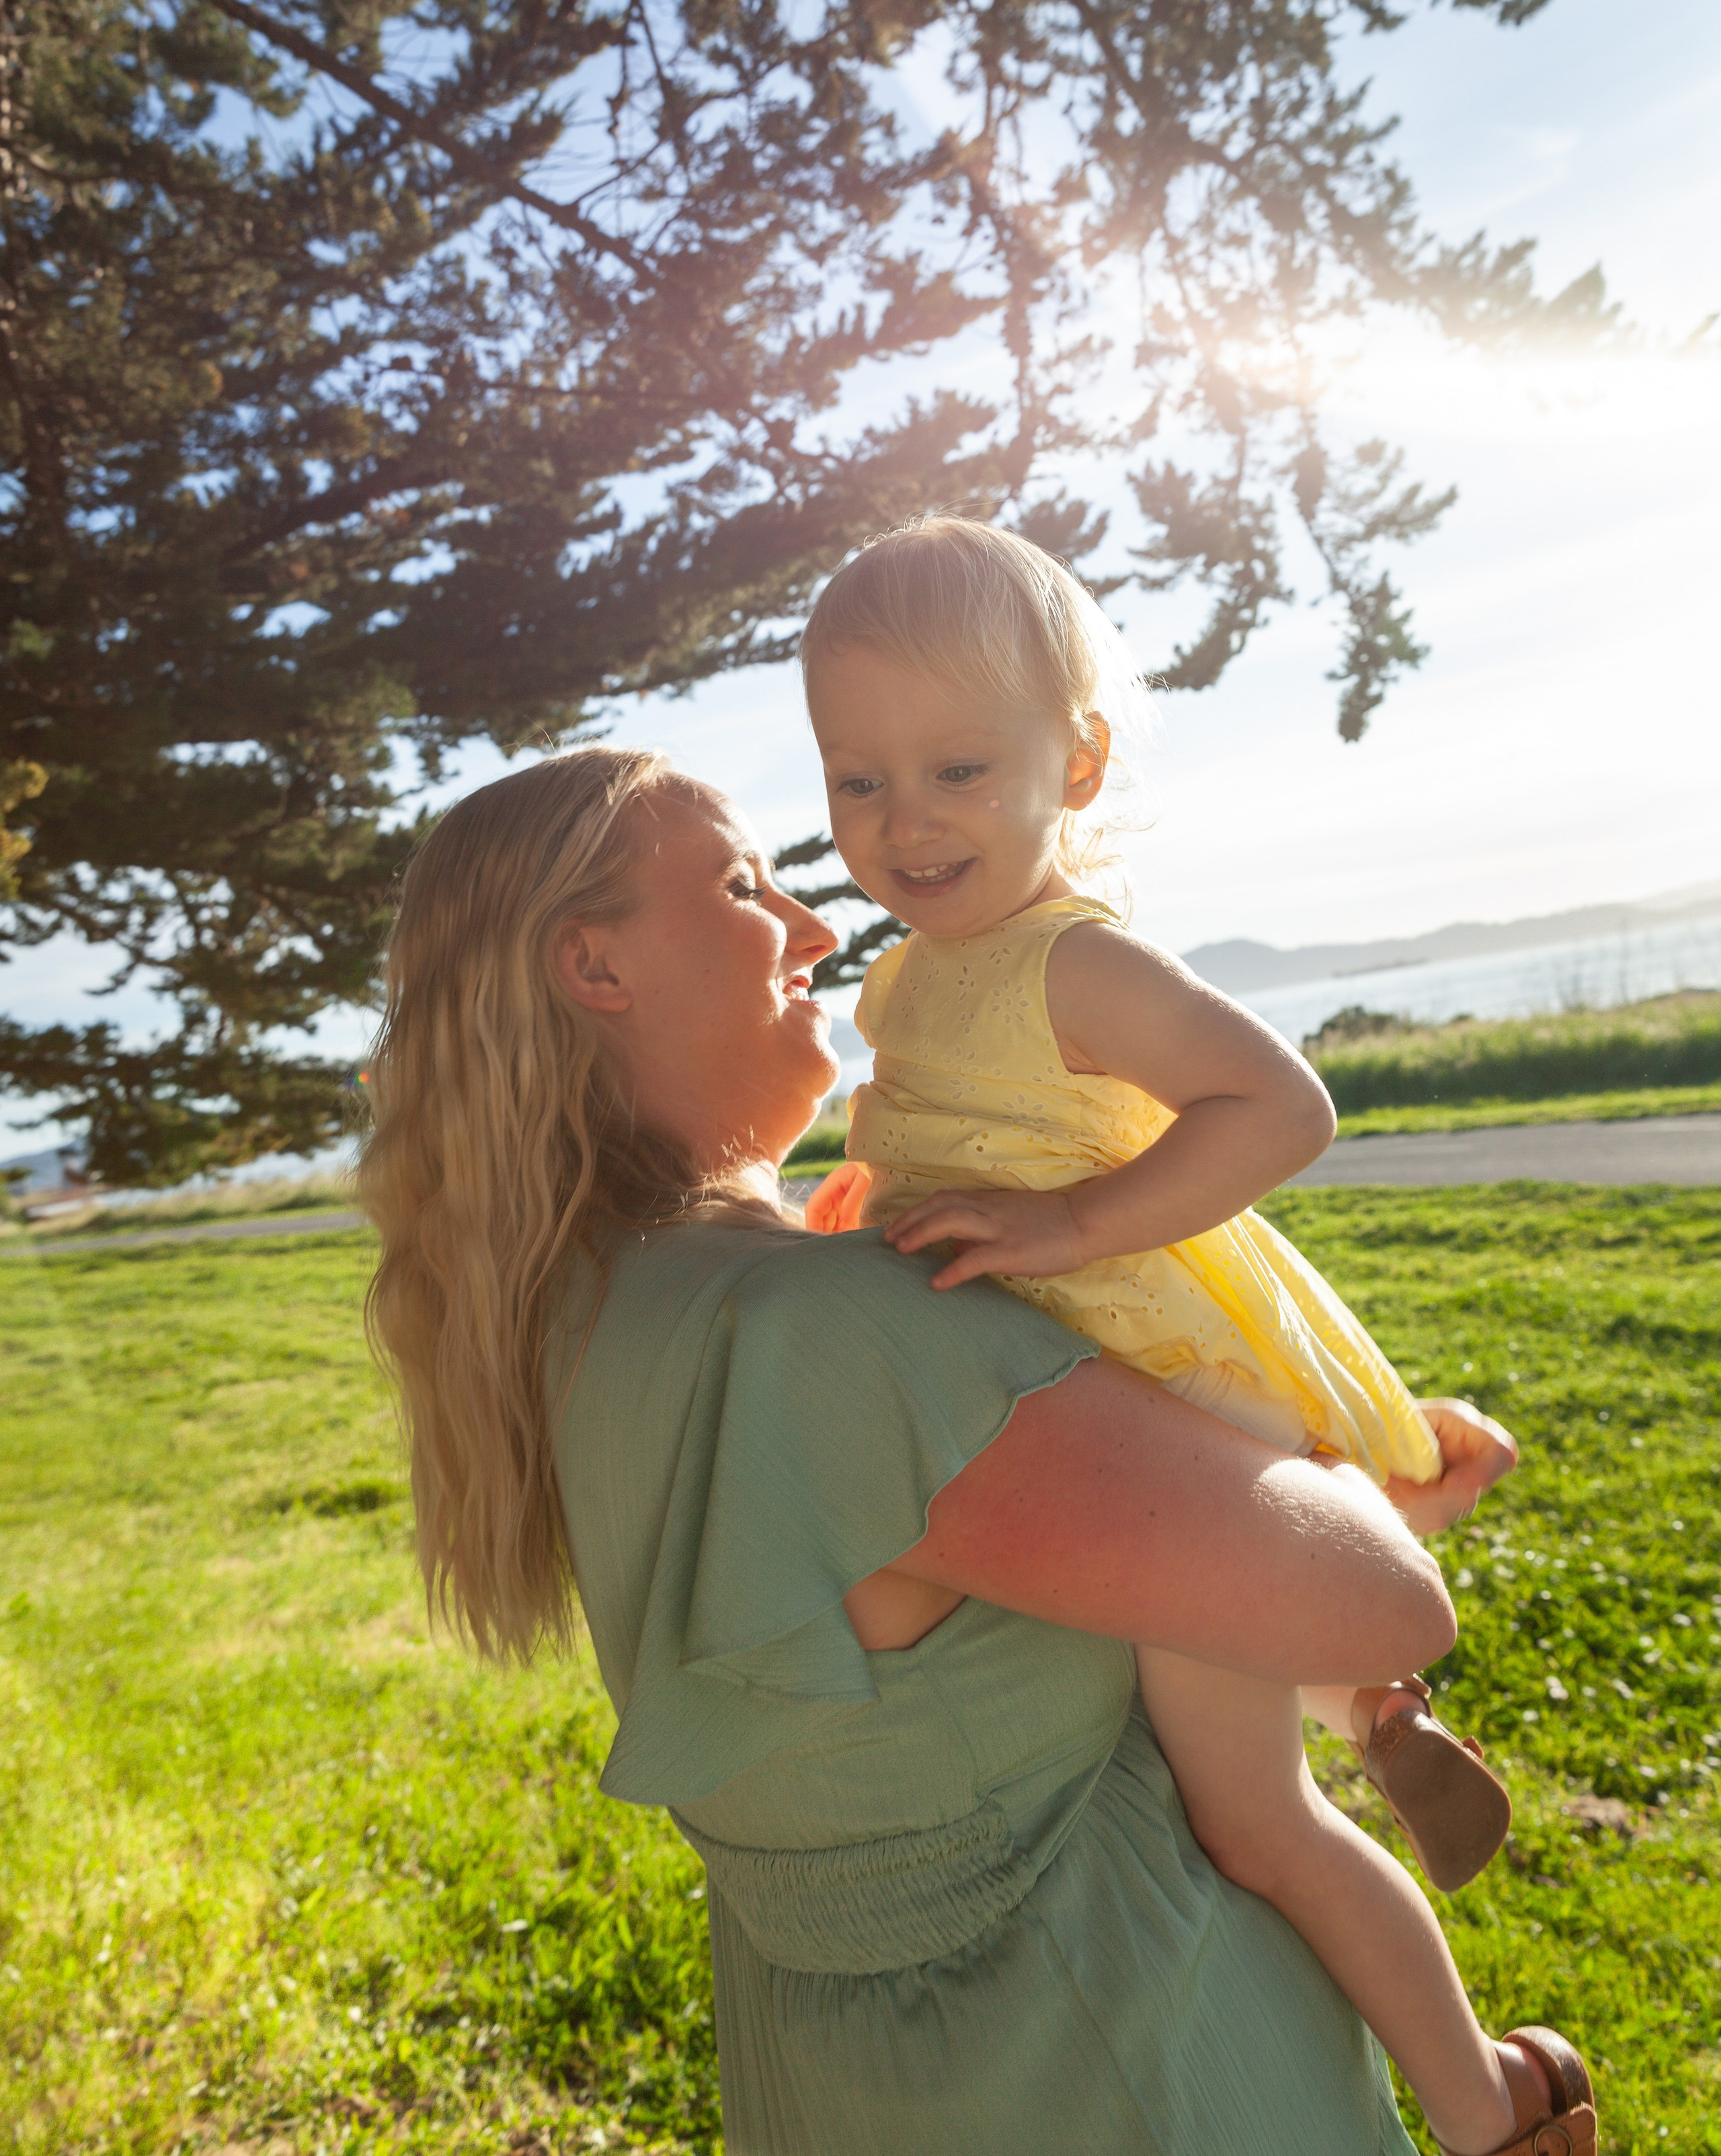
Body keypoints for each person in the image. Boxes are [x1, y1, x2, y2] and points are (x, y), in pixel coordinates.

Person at [360, 742, 1597, 2156]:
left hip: (853, 2073)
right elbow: (1383, 1606)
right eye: (743, 887)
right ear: (595, 966)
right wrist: (1344, 1479)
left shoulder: (583, 1314)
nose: (813, 929)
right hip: (1104, 2050)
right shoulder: (826, 1328)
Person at [797, 516, 1597, 2156]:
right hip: (1103, 1423)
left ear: (1077, 765)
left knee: (1253, 1826)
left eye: (957, 769)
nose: (903, 820)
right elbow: (946, 1144)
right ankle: (1369, 1691)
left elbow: (1281, 1106)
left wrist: (1071, 1226)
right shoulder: (911, 977)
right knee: (1205, 1651)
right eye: (856, 780)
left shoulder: (1072, 963)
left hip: (1163, 1406)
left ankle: (1493, 2105)